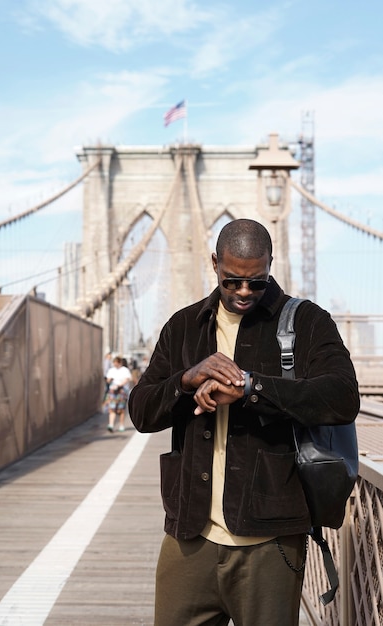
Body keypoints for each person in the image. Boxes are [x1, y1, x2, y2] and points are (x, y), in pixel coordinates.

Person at [128, 218, 359, 626]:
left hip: (270, 541)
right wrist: (186, 380)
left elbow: (343, 397)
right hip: (189, 536)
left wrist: (252, 389)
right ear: (215, 262)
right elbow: (142, 411)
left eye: (257, 281)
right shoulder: (183, 327)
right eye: (232, 281)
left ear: (270, 264)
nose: (244, 293)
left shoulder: (306, 322)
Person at [106, 356, 132, 432]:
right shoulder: (111, 370)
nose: (115, 365)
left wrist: (120, 385)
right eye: (114, 363)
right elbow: (108, 380)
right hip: (113, 391)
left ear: (120, 363)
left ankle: (121, 425)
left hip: (122, 391)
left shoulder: (125, 370)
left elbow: (127, 379)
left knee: (121, 409)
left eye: (116, 363)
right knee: (112, 408)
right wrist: (109, 380)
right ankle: (111, 424)